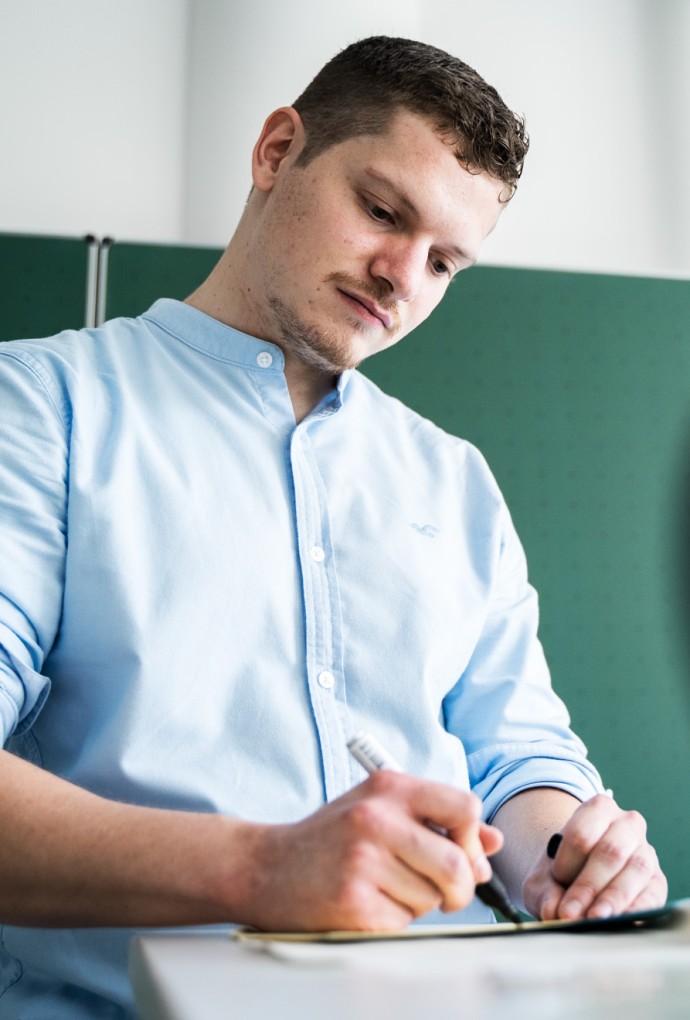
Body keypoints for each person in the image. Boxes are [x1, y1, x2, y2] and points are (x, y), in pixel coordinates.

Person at [0, 35, 666, 1019]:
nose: (402, 276)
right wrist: (263, 867)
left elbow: (515, 755)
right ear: (277, 151)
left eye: (445, 261)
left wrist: (568, 857)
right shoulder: (40, 411)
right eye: (383, 212)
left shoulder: (455, 481)